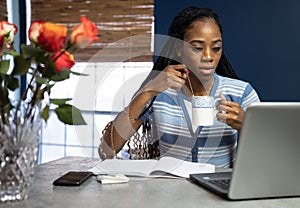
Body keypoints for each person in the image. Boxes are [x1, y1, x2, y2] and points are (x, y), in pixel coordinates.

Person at [98, 6, 260, 167]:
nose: (209, 56)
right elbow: (106, 150)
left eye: (216, 48)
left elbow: (264, 159)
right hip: (170, 189)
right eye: (197, 48)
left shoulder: (242, 93)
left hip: (220, 189)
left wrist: (245, 125)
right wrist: (148, 91)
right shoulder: (159, 91)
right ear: (179, 50)